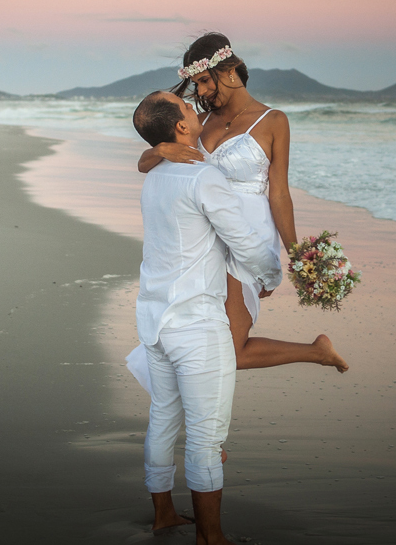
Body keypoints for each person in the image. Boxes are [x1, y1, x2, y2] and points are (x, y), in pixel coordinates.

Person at [138, 33, 348, 373]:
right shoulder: (197, 122)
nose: (202, 92)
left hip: (246, 238)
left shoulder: (273, 121)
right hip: (204, 239)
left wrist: (296, 255)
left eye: (205, 80)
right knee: (201, 340)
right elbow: (146, 165)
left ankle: (318, 352)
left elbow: (279, 193)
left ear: (231, 68)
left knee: (230, 351)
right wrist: (160, 150)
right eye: (196, 85)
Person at [132, 89, 281, 545]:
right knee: (206, 436)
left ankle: (163, 514)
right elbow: (247, 242)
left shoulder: (154, 178)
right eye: (186, 109)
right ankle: (211, 542)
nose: (195, 110)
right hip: (196, 324)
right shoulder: (202, 179)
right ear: (179, 128)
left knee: (163, 419)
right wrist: (272, 275)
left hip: (154, 320)